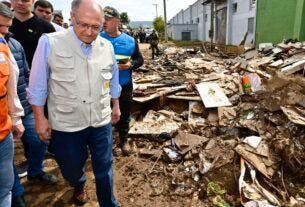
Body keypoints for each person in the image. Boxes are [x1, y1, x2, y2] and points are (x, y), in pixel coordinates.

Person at [28, 0, 121, 206]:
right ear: (72, 18)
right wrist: (39, 118)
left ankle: (109, 203)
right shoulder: (50, 42)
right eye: (83, 25)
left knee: (104, 167)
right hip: (66, 123)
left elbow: (112, 80)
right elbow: (37, 85)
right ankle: (78, 182)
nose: (89, 32)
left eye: (96, 27)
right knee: (70, 166)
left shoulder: (107, 47)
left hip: (100, 119)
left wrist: (116, 105)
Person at [101, 6, 143, 154]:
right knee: (103, 115)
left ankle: (123, 139)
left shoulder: (130, 40)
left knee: (124, 114)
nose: (103, 21)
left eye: (107, 19)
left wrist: (131, 64)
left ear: (117, 21)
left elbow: (140, 59)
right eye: (102, 18)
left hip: (124, 84)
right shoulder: (97, 39)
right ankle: (105, 141)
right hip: (102, 87)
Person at [0, 3, 25, 206]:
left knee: (4, 187)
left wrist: (16, 118)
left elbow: (12, 84)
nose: (5, 32)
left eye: (7, 27)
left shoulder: (4, 47)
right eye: (0, 27)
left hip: (3, 131)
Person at [9, 0, 55, 68]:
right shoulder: (3, 22)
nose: (20, 3)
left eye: (25, 0)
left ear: (33, 2)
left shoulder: (46, 27)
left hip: (34, 73)